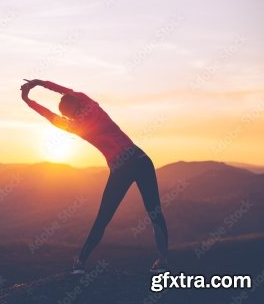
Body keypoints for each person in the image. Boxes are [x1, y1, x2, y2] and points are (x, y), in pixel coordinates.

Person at [20, 79, 169, 274]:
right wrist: (38, 84)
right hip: (140, 160)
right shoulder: (91, 107)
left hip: (123, 167)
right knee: (153, 212)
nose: (71, 117)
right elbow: (65, 92)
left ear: (70, 111)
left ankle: (80, 263)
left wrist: (28, 99)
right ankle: (162, 262)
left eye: (68, 114)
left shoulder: (76, 126)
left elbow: (50, 115)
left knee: (104, 218)